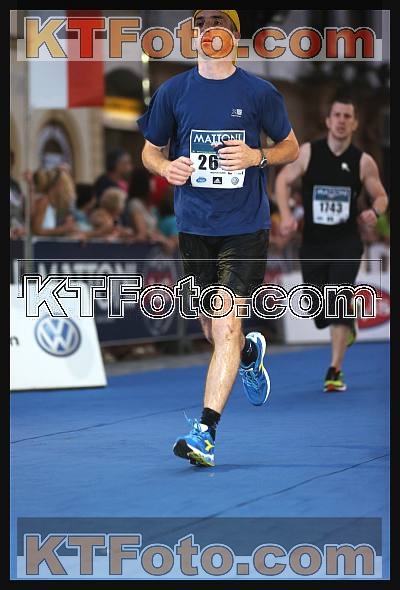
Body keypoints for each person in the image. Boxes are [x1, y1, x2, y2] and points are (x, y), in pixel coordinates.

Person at [137, 9, 299, 467]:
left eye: (219, 22)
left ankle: (205, 432)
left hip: (244, 226)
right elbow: (150, 151)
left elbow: (290, 146)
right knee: (212, 329)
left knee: (226, 323)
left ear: (233, 35)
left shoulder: (259, 92)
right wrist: (166, 167)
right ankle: (248, 353)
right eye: (202, 22)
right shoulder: (173, 92)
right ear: (193, 35)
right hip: (194, 226)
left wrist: (256, 156)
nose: (210, 29)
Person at [274, 97, 389, 392]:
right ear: (328, 121)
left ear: (355, 123)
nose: (341, 120)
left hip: (346, 243)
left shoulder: (362, 161)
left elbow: (381, 196)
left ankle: (334, 370)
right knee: (317, 310)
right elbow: (283, 181)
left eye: (347, 116)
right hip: (313, 244)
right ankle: (348, 319)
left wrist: (374, 212)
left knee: (337, 301)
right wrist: (286, 216)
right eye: (337, 115)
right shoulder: (308, 153)